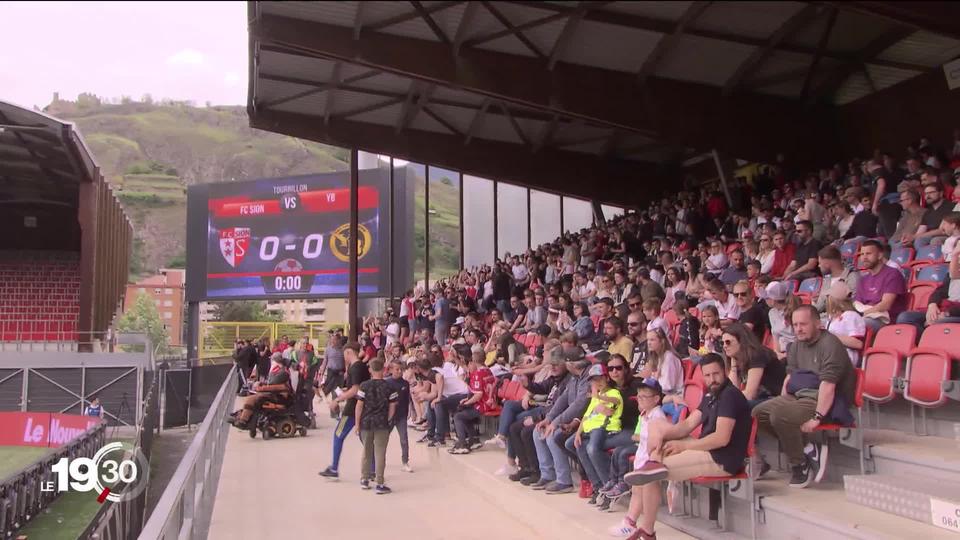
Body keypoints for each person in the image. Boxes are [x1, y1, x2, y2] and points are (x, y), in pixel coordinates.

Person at [623, 353, 753, 540]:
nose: (712, 379)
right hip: (706, 448)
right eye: (707, 375)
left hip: (721, 458)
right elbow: (688, 424)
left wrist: (683, 446)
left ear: (724, 371)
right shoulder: (711, 394)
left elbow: (721, 439)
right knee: (655, 426)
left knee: (651, 474)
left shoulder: (730, 396)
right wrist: (664, 436)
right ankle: (652, 461)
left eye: (716, 374)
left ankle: (647, 531)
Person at [752, 305, 857, 488]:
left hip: (827, 399)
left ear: (818, 323)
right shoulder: (796, 345)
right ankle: (807, 447)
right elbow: (790, 377)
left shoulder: (830, 344)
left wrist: (817, 417)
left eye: (803, 324)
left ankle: (799, 464)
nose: (798, 329)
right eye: (795, 325)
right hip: (801, 395)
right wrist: (782, 400)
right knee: (758, 412)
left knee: (780, 415)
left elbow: (828, 386)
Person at [602, 379, 667, 536]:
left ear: (656, 399)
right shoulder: (645, 414)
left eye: (644, 397)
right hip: (641, 457)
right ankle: (630, 522)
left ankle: (640, 526)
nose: (639, 399)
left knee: (644, 492)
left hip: (649, 461)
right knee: (637, 491)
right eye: (638, 396)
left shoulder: (658, 416)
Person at [530, 356, 592, 494]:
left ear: (571, 364)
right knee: (538, 431)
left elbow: (580, 405)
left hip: (583, 420)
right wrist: (549, 419)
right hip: (570, 418)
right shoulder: (574, 377)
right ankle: (547, 475)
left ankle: (564, 481)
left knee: (553, 435)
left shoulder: (588, 377)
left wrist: (556, 422)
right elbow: (563, 400)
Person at [569, 364, 624, 504]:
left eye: (599, 379)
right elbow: (586, 416)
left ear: (606, 378)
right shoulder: (595, 398)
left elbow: (613, 405)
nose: (597, 382)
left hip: (604, 428)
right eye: (593, 380)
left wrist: (600, 398)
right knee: (577, 445)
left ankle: (609, 485)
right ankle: (598, 486)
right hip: (590, 429)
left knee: (592, 449)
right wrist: (578, 433)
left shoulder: (612, 392)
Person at [319, 341, 369, 480]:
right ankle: (372, 468)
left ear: (348, 352)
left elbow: (356, 389)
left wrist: (338, 399)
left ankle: (334, 468)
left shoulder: (356, 368)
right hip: (362, 406)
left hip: (352, 408)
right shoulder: (360, 367)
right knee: (365, 438)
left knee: (338, 434)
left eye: (344, 354)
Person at [355, 356, 397, 494]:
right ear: (384, 369)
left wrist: (357, 423)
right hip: (381, 423)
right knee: (380, 453)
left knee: (366, 451)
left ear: (370, 370)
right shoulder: (390, 387)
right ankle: (379, 482)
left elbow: (359, 406)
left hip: (366, 422)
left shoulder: (364, 386)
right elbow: (392, 407)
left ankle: (364, 479)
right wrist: (389, 420)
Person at [722, 323, 785, 407]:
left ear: (741, 341)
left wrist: (725, 400)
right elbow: (733, 390)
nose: (724, 346)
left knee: (731, 406)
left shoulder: (757, 354)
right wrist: (734, 366)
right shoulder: (738, 358)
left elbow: (750, 394)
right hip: (761, 397)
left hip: (775, 398)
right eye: (722, 343)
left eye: (728, 342)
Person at [854, 239, 908, 332]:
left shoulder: (893, 274)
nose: (864, 257)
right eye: (862, 254)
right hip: (868, 316)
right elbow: (857, 304)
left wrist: (864, 314)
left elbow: (885, 305)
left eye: (868, 253)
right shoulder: (863, 279)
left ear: (879, 255)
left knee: (859, 324)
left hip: (886, 320)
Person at [229, 352, 291, 429]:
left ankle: (243, 420)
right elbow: (271, 383)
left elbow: (272, 384)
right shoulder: (278, 371)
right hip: (273, 394)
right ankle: (243, 416)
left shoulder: (282, 372)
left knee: (252, 399)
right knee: (253, 398)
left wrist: (261, 388)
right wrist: (261, 384)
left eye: (272, 360)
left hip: (279, 397)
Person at [824, 282, 867, 366]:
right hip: (830, 355)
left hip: (845, 357)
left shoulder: (851, 316)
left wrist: (830, 336)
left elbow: (858, 343)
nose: (827, 300)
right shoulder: (830, 319)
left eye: (829, 297)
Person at [386, 359, 414, 473]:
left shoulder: (405, 383)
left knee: (404, 439)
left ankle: (405, 461)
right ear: (391, 370)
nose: (399, 371)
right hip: (389, 416)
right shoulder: (386, 383)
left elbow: (407, 399)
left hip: (401, 415)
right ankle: (379, 459)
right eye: (396, 369)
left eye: (400, 369)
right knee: (383, 438)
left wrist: (408, 413)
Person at [814, 245, 860, 312]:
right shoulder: (827, 280)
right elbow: (819, 307)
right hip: (826, 317)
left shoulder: (852, 276)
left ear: (827, 264)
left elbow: (854, 303)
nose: (819, 266)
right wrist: (814, 302)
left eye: (820, 263)